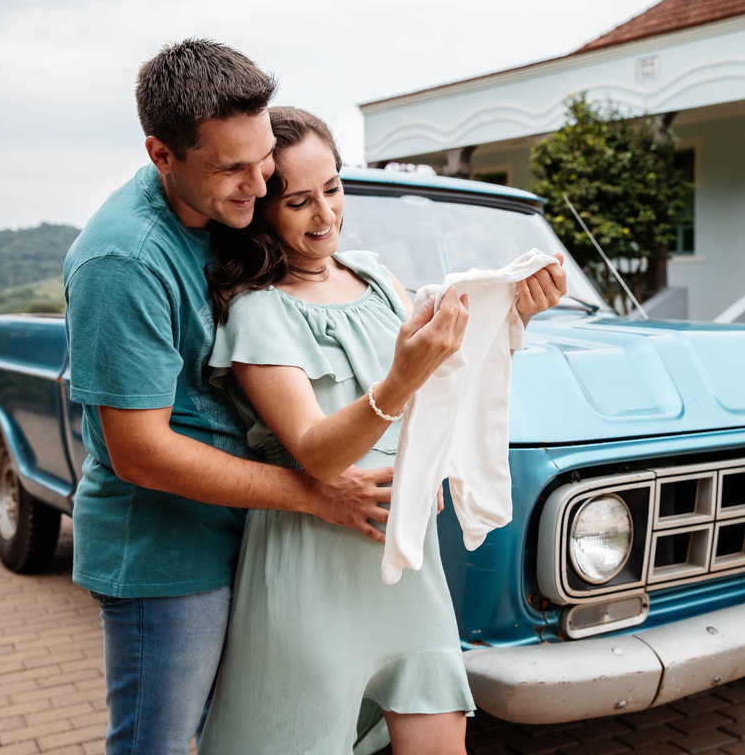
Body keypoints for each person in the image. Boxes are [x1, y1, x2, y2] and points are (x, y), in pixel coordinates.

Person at [62, 40, 400, 755]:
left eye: (263, 164)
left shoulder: (223, 209)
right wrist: (316, 493)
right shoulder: (123, 259)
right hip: (166, 556)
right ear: (162, 154)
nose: (256, 187)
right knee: (156, 744)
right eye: (232, 169)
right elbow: (139, 452)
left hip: (251, 537)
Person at [198, 107, 566, 754]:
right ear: (262, 209)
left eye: (334, 189)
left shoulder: (375, 277)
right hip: (311, 563)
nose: (325, 216)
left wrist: (516, 314)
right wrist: (399, 380)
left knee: (439, 736)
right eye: (299, 201)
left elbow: (450, 378)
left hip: (405, 561)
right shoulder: (258, 313)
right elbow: (315, 452)